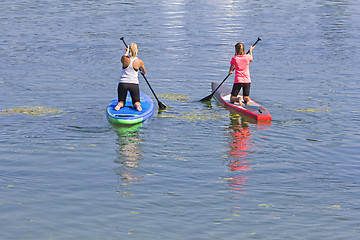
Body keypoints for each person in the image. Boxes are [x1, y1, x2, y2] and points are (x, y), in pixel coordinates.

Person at [115, 43, 146, 111]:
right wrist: (141, 71)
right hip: (134, 84)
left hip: (123, 83)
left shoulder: (124, 59)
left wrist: (126, 52)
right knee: (136, 101)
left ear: (129, 50)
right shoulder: (139, 61)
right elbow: (144, 71)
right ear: (137, 50)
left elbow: (123, 58)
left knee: (121, 101)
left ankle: (119, 105)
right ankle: (137, 106)